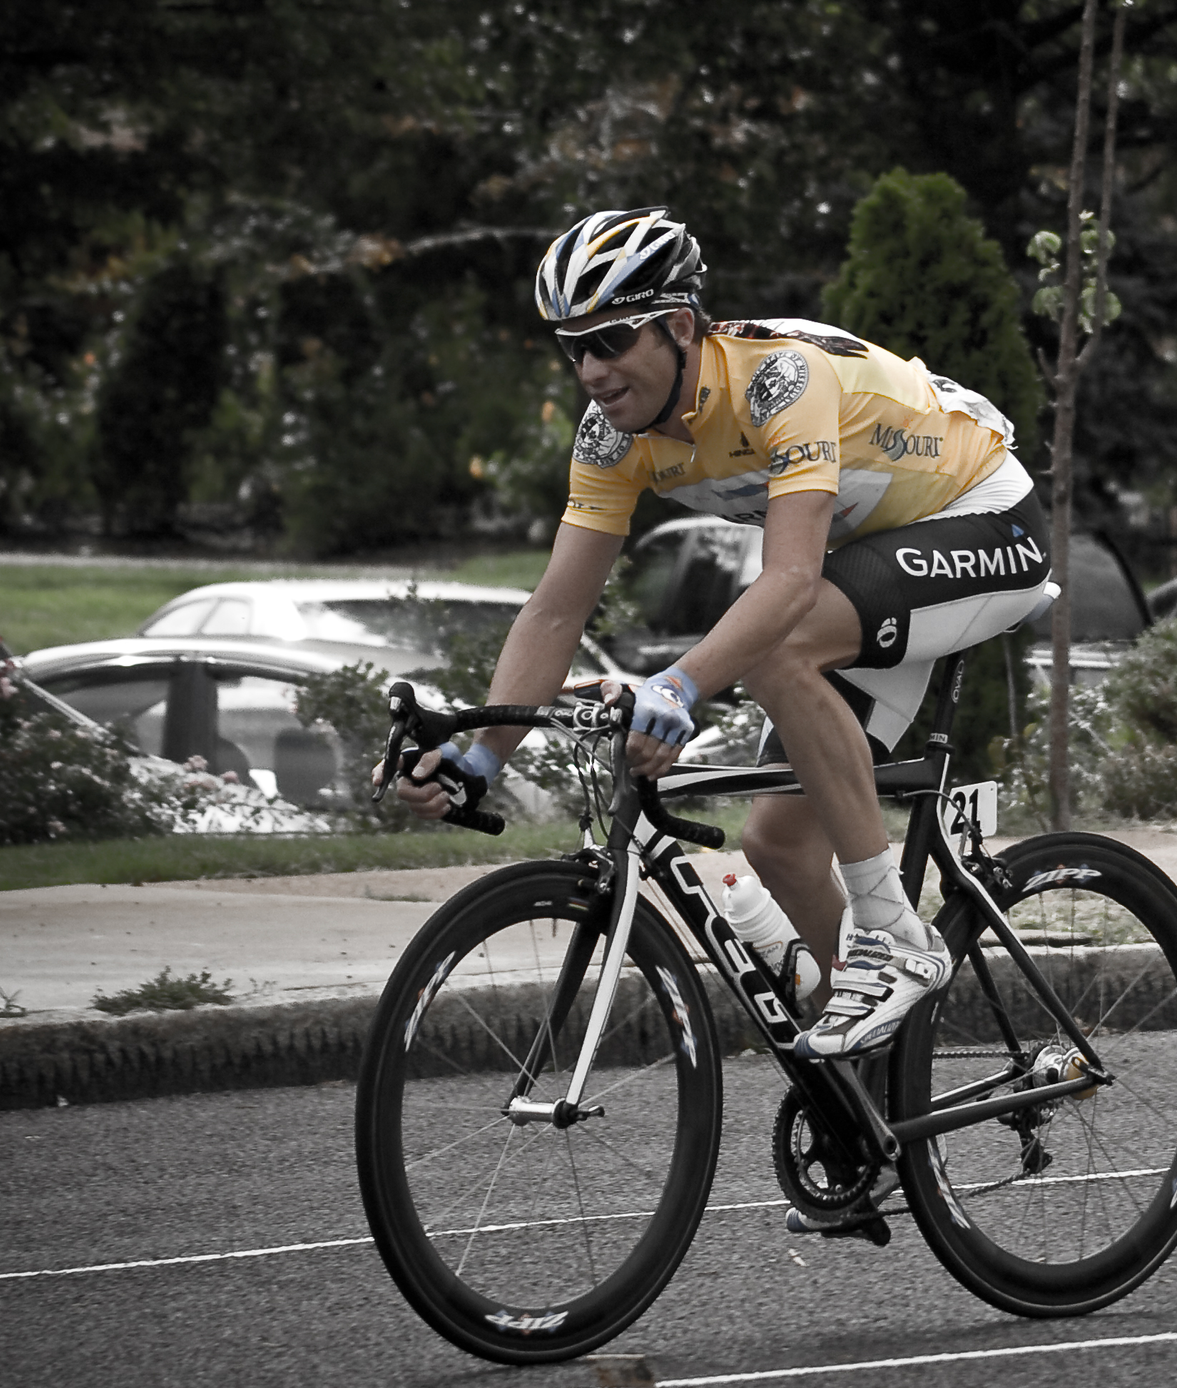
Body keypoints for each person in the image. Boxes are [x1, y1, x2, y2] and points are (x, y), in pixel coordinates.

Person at [392, 207, 1048, 1058]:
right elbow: (556, 609)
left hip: (983, 516)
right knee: (777, 842)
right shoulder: (612, 435)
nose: (592, 368)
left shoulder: (781, 379)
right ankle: (872, 1096)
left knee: (782, 644)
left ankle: (895, 942)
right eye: (574, 348)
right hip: (873, 555)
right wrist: (484, 755)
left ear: (676, 324)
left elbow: (789, 583)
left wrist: (678, 683)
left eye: (612, 339)